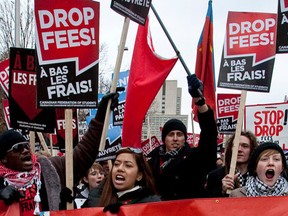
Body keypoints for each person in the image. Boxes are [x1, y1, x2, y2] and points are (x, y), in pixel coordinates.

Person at [0, 91, 119, 215]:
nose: (25, 150)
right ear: (4, 158)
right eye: (17, 148)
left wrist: (101, 117)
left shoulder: (49, 169)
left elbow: (84, 152)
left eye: (26, 146)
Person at [147, 74, 218, 200]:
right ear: (164, 139)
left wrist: (199, 100)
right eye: (171, 134)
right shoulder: (150, 161)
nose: (175, 138)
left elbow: (209, 133)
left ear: (185, 138)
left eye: (179, 134)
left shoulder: (195, 157)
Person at [86, 147, 160, 213]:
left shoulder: (151, 204)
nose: (120, 168)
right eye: (116, 164)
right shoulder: (95, 197)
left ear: (139, 175)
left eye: (128, 165)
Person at [205, 131, 258, 197]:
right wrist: (222, 191)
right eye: (235, 145)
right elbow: (208, 204)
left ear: (252, 150)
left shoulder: (259, 176)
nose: (239, 149)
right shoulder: (215, 176)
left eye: (245, 146)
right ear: (230, 149)